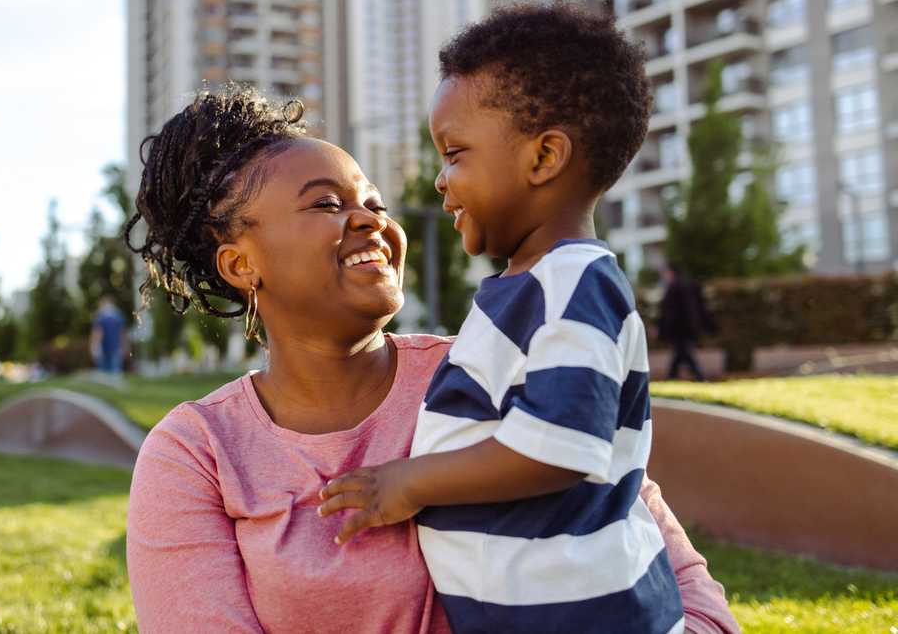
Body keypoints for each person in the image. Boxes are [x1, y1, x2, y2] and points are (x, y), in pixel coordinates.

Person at [123, 85, 740, 633]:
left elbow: (686, 592)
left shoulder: (501, 369)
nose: (370, 220)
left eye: (376, 204)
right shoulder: (195, 455)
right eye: (325, 205)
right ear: (241, 264)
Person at [319, 1, 681, 633]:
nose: (440, 180)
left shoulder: (573, 281)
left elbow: (561, 447)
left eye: (455, 153)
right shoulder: (529, 286)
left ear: (543, 158)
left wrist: (410, 483)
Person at [659, 262, 713, 381]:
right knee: (681, 352)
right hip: (689, 325)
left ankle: (696, 376)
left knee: (683, 352)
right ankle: (673, 376)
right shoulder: (689, 284)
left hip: (679, 326)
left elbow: (670, 311)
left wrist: (664, 328)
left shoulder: (674, 287)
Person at [90, 295, 127, 381]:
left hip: (105, 349)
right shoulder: (118, 316)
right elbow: (122, 334)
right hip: (115, 348)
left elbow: (97, 333)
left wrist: (94, 347)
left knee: (104, 374)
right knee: (115, 373)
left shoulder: (100, 316)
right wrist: (125, 347)